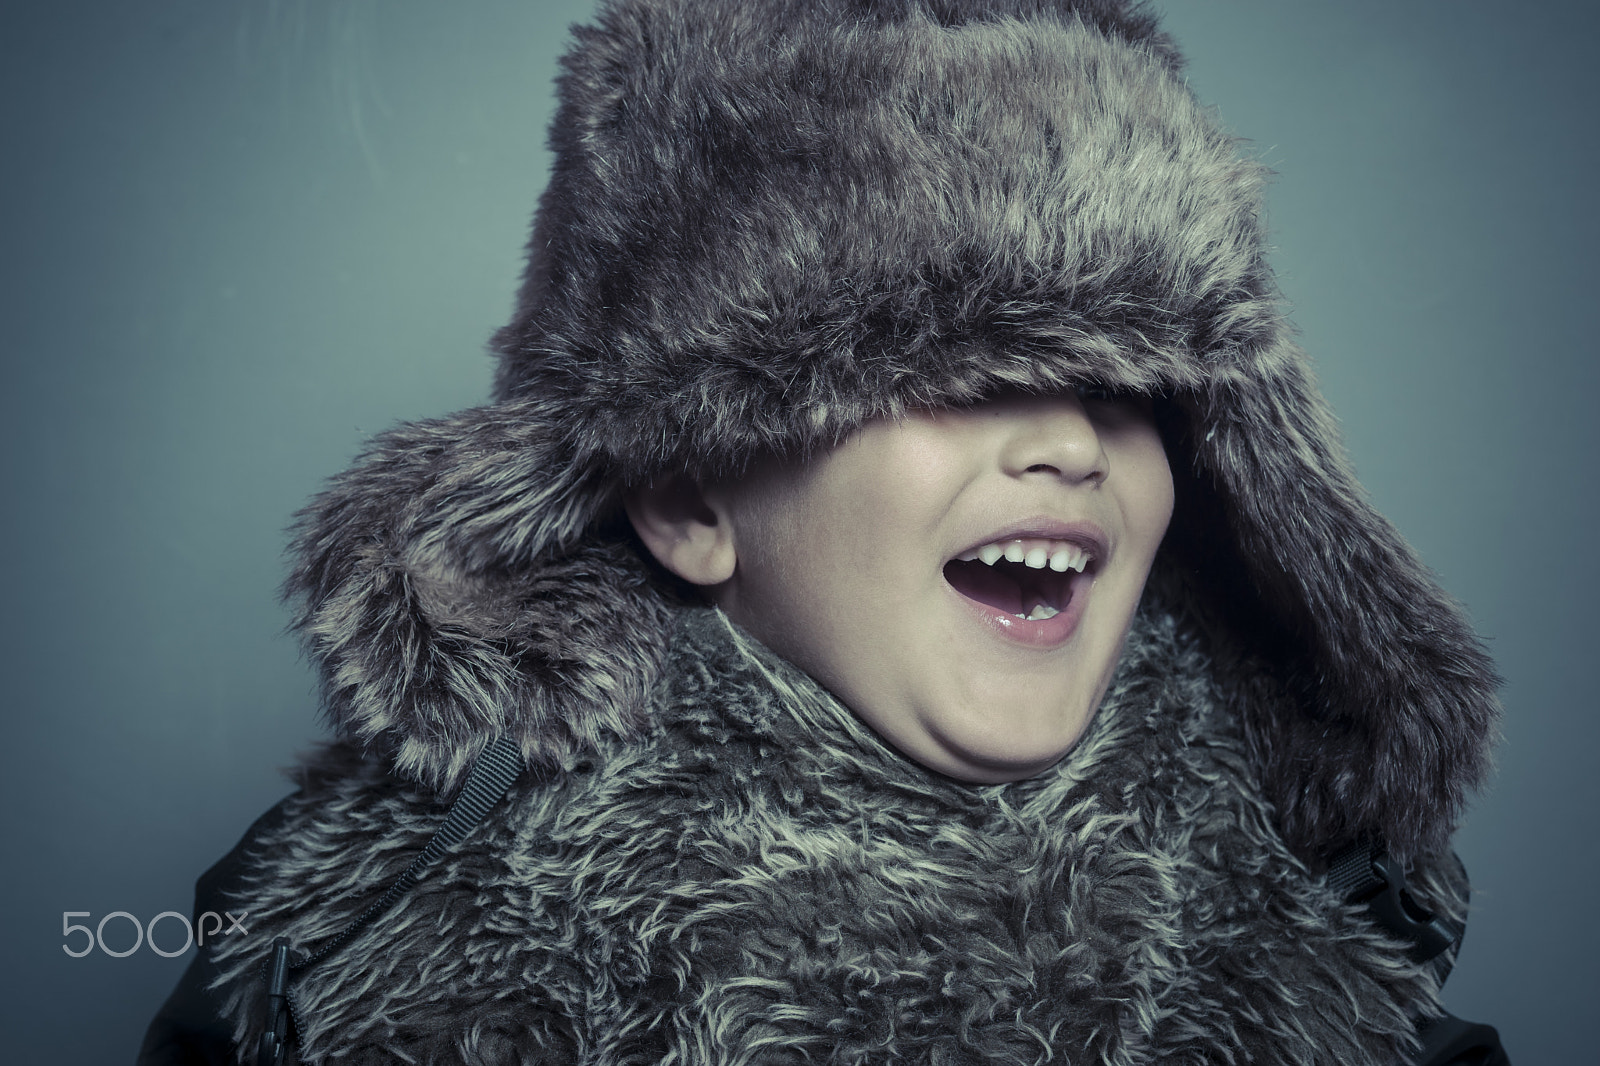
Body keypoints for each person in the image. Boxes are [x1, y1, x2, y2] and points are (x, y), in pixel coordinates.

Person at [139, 1, 1505, 1063]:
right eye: (962, 377)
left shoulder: (1327, 955)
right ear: (686, 497)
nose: (1074, 442)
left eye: (1121, 385)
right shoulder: (357, 973)